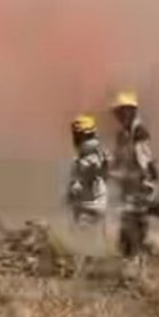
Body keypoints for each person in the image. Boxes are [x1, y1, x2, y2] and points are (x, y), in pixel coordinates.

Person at [109, 90, 159, 263]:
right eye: (119, 112)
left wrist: (148, 184)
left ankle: (137, 257)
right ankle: (135, 254)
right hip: (128, 186)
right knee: (127, 225)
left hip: (139, 186)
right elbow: (117, 160)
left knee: (133, 223)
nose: (120, 116)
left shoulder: (139, 133)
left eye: (124, 111)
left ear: (131, 111)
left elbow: (145, 162)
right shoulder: (122, 135)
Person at [66, 114, 110, 269]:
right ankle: (96, 267)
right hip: (97, 201)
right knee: (94, 237)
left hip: (89, 202)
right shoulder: (99, 153)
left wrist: (75, 188)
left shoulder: (89, 157)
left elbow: (88, 176)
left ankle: (86, 270)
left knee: (84, 239)